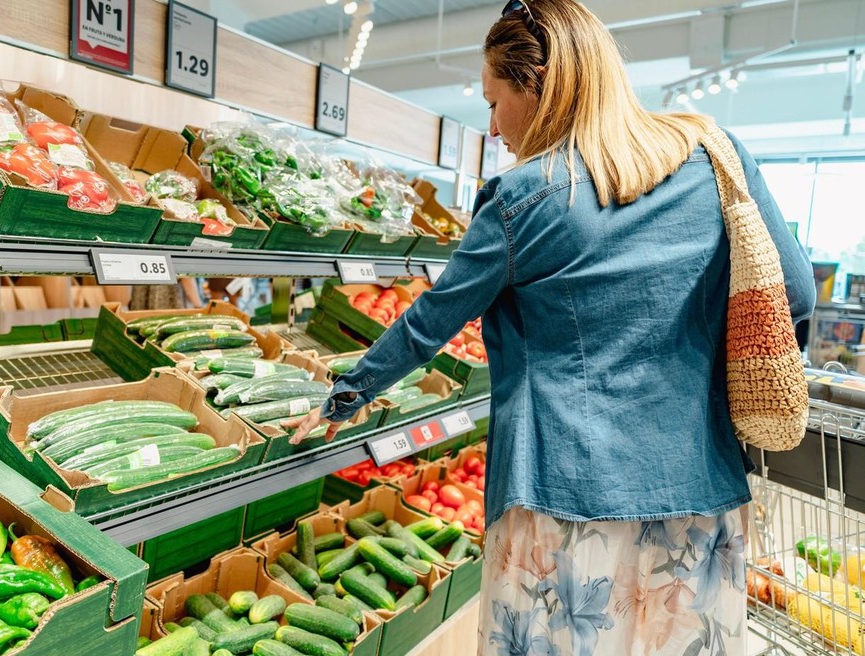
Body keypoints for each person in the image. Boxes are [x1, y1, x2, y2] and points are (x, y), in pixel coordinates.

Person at [285, 0, 816, 653]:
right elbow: (789, 294)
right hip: (699, 497)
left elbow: (430, 321)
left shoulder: (525, 198)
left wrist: (344, 397)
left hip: (562, 502)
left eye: (493, 100)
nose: (495, 126)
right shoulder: (718, 156)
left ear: (536, 87)